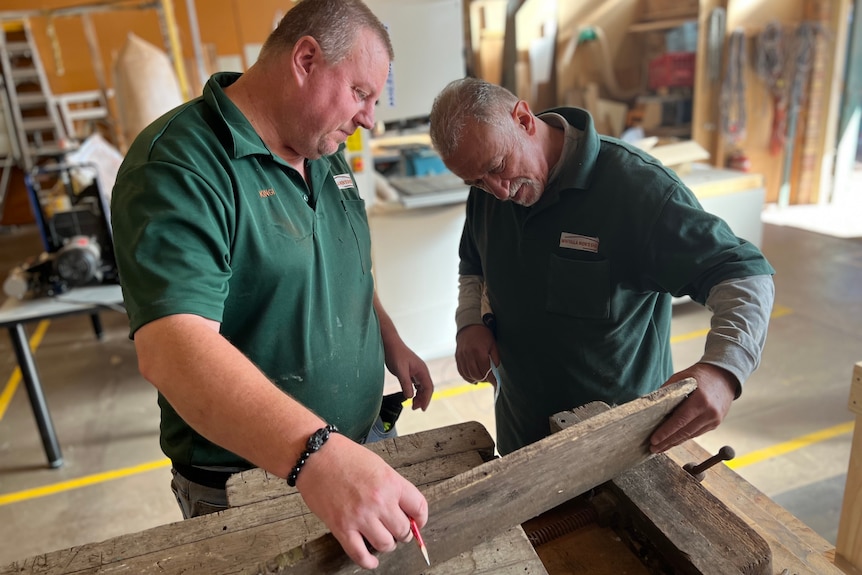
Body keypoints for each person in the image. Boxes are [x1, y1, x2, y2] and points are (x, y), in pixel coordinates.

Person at [110, 0, 434, 569]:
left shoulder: (324, 149)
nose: (369, 119)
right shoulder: (181, 165)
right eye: (360, 93)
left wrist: (390, 339)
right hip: (255, 479)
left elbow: (344, 262)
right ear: (305, 59)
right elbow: (173, 351)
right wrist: (319, 457)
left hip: (353, 450)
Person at [428, 77, 775, 456]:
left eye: (499, 166)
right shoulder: (488, 189)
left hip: (619, 445)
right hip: (522, 435)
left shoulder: (637, 190)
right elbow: (473, 264)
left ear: (524, 119)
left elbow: (744, 274)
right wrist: (470, 323)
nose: (497, 191)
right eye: (476, 181)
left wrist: (723, 372)